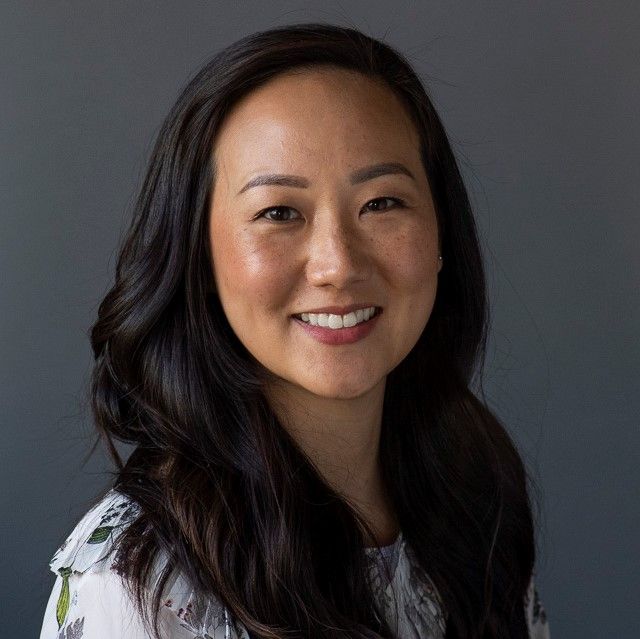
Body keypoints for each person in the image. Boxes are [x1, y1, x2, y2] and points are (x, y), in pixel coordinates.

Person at [39, 23, 551, 639]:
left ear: (442, 232)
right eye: (278, 213)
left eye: (382, 203)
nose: (338, 264)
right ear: (199, 259)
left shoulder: (475, 496)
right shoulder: (141, 585)